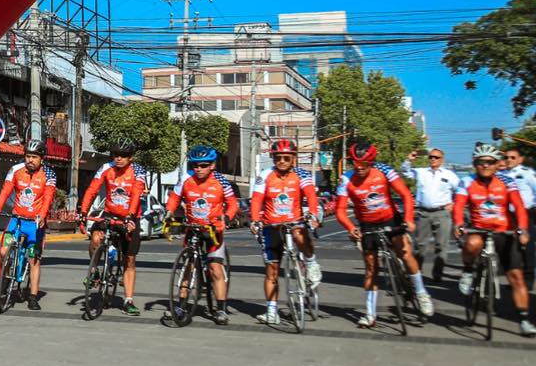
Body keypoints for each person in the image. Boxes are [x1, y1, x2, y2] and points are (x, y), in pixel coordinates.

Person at [335, 141, 433, 327]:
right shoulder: (346, 179)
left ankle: (421, 293)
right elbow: (340, 210)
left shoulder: (385, 170)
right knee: (371, 268)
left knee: (404, 252)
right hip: (367, 224)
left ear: (371, 162)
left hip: (390, 219)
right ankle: (370, 314)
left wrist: (409, 219)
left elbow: (405, 195)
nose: (359, 168)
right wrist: (350, 228)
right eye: (355, 163)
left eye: (364, 164)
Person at [454, 143, 532, 336]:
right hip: (479, 229)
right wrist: (458, 224)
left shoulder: (507, 181)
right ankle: (468, 271)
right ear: (475, 164)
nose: (485, 166)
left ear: (497, 164)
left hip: (505, 231)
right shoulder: (467, 182)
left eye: (490, 162)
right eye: (481, 162)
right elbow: (458, 206)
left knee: (516, 277)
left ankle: (524, 319)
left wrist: (522, 229)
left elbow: (519, 206)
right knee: (472, 243)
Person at [249, 138, 322, 327]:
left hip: (294, 223)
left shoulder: (302, 175)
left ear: (293, 159)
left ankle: (311, 263)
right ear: (273, 159)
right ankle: (272, 311)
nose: (282, 161)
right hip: (271, 227)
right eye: (278, 158)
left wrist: (313, 214)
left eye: (286, 158)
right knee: (271, 272)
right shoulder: (265, 175)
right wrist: (255, 220)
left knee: (300, 234)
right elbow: (256, 200)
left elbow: (311, 196)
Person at [164, 146, 238, 325]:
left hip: (213, 231)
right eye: (195, 165)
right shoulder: (186, 180)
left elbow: (233, 204)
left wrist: (227, 218)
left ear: (212, 165)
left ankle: (220, 309)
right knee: (188, 267)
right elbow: (174, 198)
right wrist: (169, 212)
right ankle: (181, 305)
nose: (198, 169)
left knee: (215, 269)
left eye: (203, 165)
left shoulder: (221, 182)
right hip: (193, 228)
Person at [79, 140, 146, 316]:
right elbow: (92, 189)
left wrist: (130, 216)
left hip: (130, 217)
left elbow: (137, 193)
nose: (119, 158)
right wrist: (83, 211)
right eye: (115, 154)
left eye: (123, 155)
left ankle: (128, 301)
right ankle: (94, 271)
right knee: (95, 238)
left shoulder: (138, 171)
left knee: (129, 260)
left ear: (130, 157)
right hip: (110, 214)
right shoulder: (106, 168)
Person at [0, 141, 58, 310]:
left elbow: (48, 198)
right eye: (28, 156)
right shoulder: (16, 171)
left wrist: (42, 216)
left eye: (34, 157)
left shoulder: (49, 175)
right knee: (3, 250)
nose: (30, 160)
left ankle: (33, 297)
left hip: (34, 224)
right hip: (16, 220)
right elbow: (6, 191)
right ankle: (6, 275)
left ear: (42, 158)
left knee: (34, 260)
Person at [403, 148, 463, 281]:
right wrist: (409, 159)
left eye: (436, 157)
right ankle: (416, 273)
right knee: (420, 246)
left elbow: (461, 190)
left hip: (442, 213)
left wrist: (453, 203)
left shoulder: (449, 175)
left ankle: (437, 274)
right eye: (431, 157)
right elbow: (405, 172)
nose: (433, 159)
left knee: (441, 245)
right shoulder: (421, 172)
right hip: (423, 213)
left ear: (442, 160)